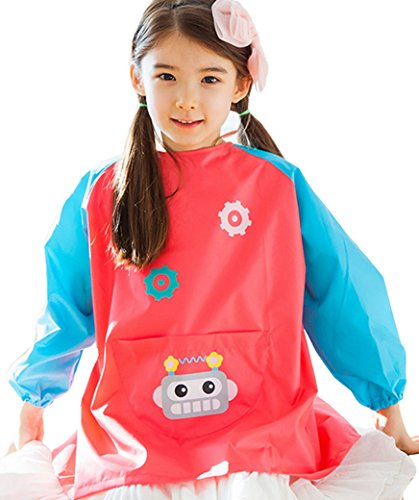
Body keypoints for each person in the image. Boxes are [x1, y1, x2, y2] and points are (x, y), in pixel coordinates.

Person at [4, 0, 418, 498]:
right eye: (167, 76)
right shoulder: (103, 192)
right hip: (133, 440)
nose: (186, 100)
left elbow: (341, 295)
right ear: (137, 78)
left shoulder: (276, 186)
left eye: (209, 79)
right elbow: (67, 308)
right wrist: (32, 405)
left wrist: (387, 406)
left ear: (240, 85)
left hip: (260, 431)